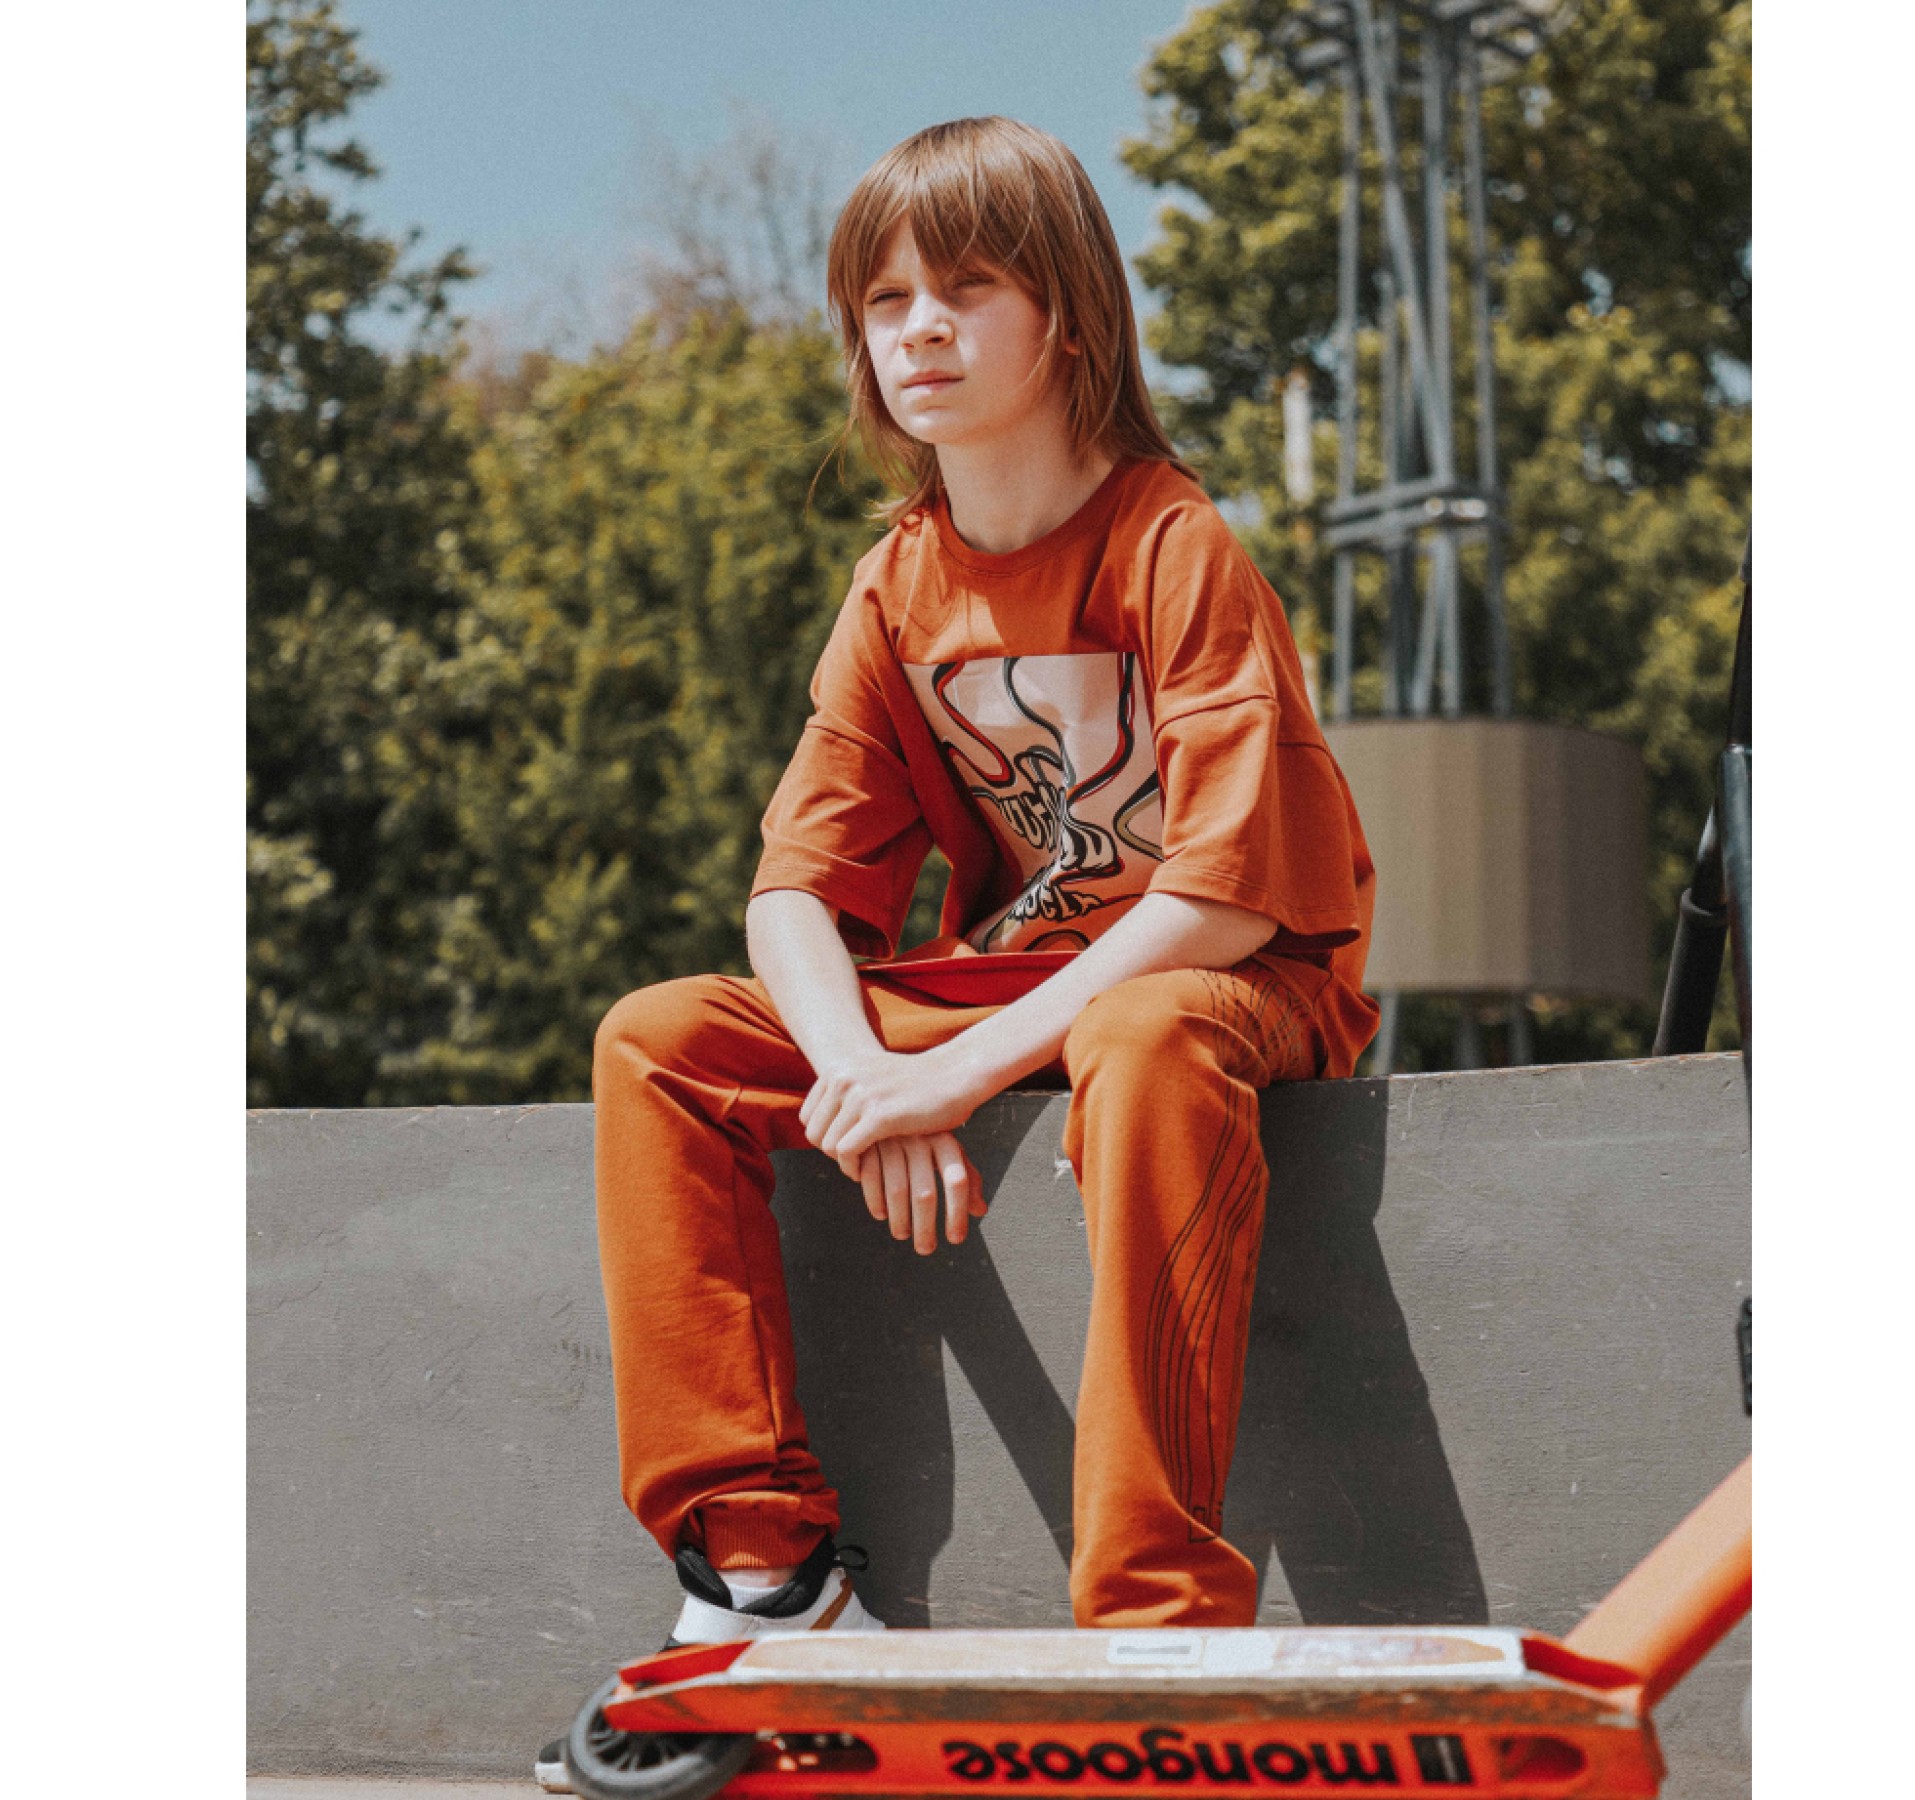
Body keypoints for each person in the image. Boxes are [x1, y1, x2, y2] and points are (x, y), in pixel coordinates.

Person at [537, 114, 1376, 1794]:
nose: (917, 328)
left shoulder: (1170, 541)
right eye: (883, 300)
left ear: (1065, 315)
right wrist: (864, 1073)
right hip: (1012, 986)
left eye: (968, 288)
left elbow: (1219, 896)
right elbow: (795, 891)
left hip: (1235, 978)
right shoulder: (900, 582)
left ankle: (1153, 1635)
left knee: (1142, 1035)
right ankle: (771, 1580)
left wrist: (951, 1076)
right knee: (662, 1038)